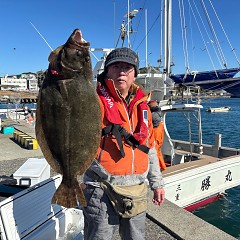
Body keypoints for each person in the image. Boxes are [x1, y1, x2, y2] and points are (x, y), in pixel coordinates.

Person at [82, 47, 165, 240]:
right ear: (107, 71)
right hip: (100, 189)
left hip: (136, 189)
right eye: (116, 66)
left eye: (127, 68)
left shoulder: (143, 106)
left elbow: (149, 148)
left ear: (134, 75)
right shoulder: (92, 100)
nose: (121, 71)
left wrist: (157, 184)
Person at [148, 100, 167, 171]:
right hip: (159, 132)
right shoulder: (158, 113)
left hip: (156, 132)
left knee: (155, 150)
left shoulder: (153, 115)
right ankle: (162, 166)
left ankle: (158, 167)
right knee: (158, 150)